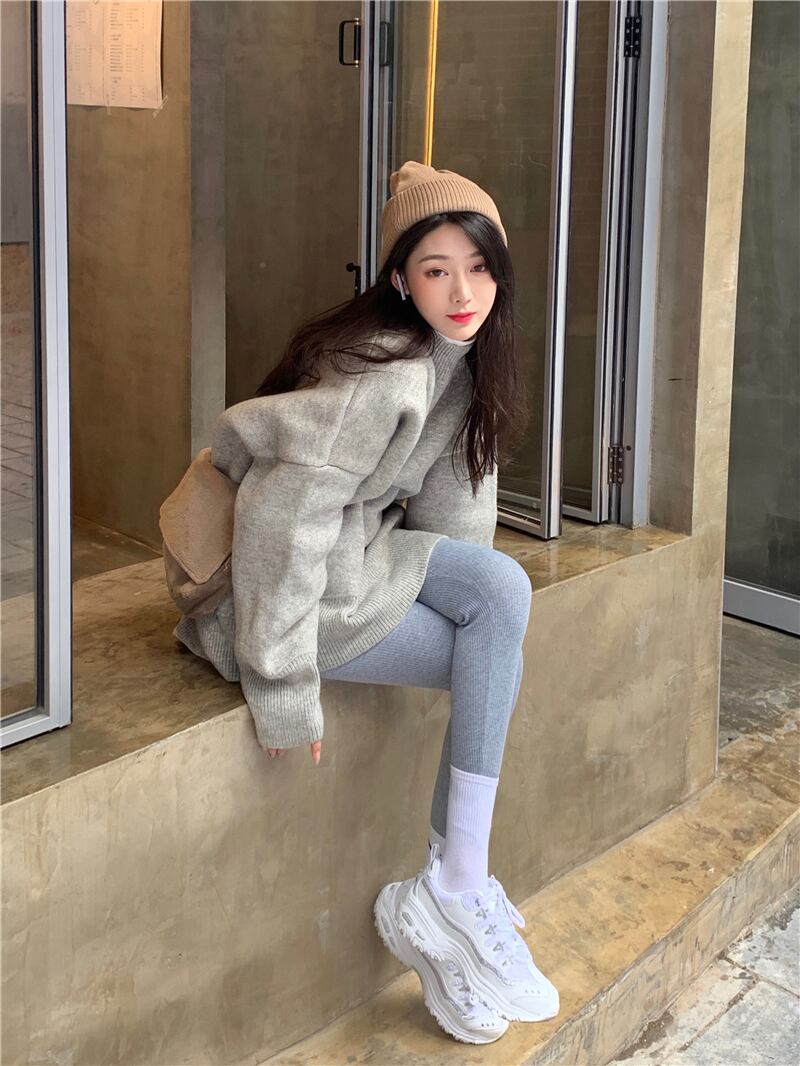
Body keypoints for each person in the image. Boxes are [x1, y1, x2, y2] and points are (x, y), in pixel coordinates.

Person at [173, 160, 560, 1044]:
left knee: (500, 596)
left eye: (480, 267)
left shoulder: (463, 361)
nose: (463, 291)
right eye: (437, 270)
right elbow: (281, 517)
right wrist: (282, 682)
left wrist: (478, 609)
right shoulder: (381, 374)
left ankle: (454, 888)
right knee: (491, 651)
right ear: (400, 280)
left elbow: (456, 525)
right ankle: (453, 889)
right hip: (260, 592)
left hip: (354, 558)